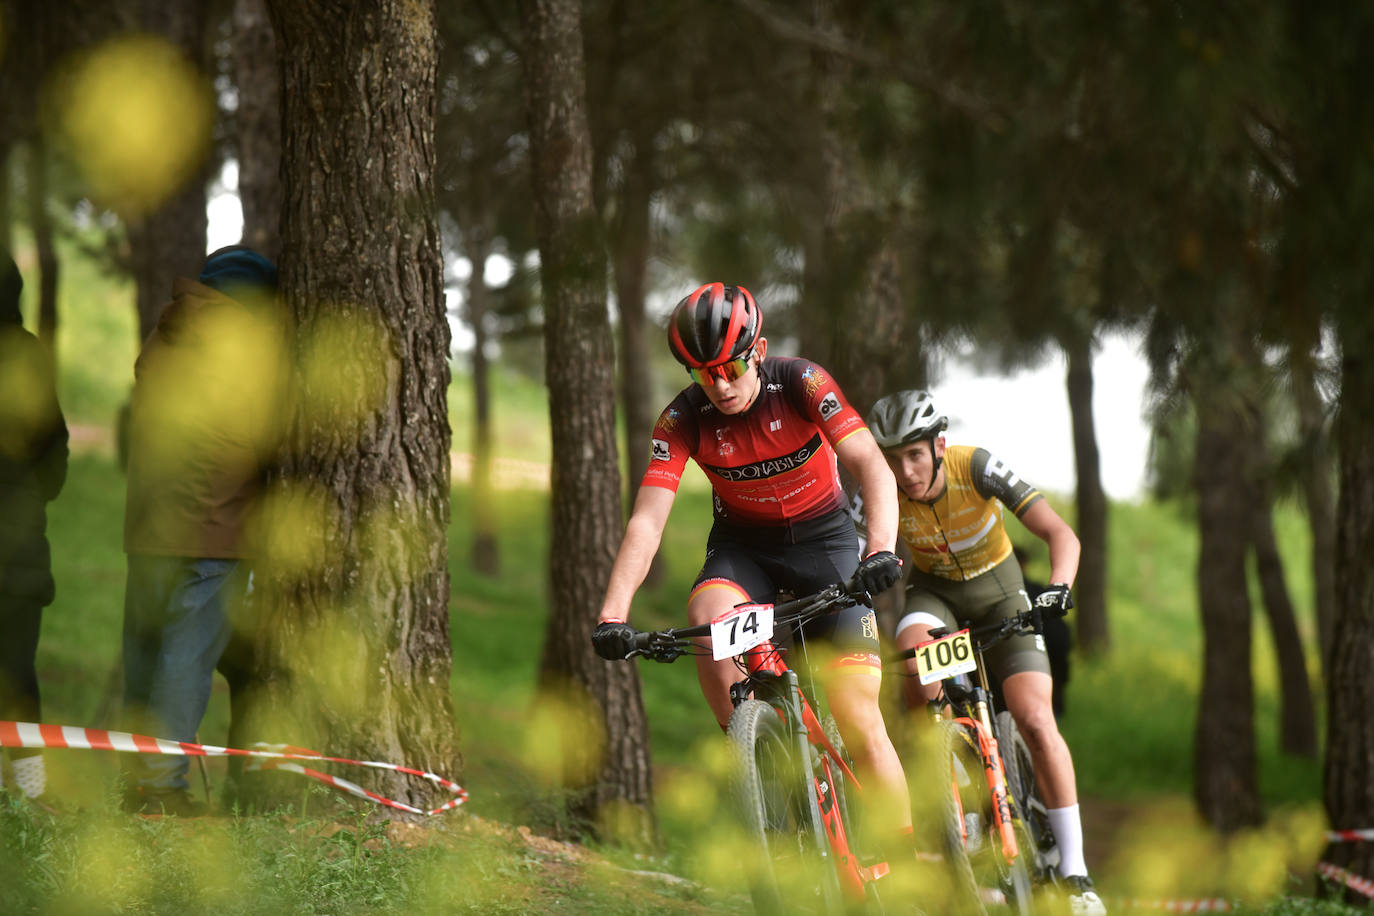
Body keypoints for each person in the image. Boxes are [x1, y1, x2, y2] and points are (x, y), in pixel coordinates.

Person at [590, 282, 920, 885]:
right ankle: (757, 766)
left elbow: (872, 465)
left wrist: (881, 551)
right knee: (715, 628)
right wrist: (613, 614)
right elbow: (647, 519)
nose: (720, 384)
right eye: (703, 372)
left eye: (731, 366)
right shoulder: (683, 418)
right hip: (745, 553)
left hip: (829, 545)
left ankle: (906, 877)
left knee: (857, 712)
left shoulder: (801, 383)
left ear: (758, 349)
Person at [855, 389, 1105, 916]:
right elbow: (851, 553)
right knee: (914, 661)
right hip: (935, 595)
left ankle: (1077, 872)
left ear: (938, 445)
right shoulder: (878, 489)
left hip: (1003, 592)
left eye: (914, 455)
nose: (904, 471)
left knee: (1035, 719)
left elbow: (1061, 533)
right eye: (892, 459)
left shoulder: (978, 467)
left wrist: (1058, 586)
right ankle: (957, 796)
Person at [120, 245, 284, 815]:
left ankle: (134, 780)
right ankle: (162, 789)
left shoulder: (164, 340)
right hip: (215, 530)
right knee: (183, 663)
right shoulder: (245, 351)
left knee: (143, 658)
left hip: (148, 527)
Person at [0, 251, 69, 811]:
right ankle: (28, 792)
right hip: (18, 540)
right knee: (17, 665)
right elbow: (54, 446)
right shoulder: (26, 354)